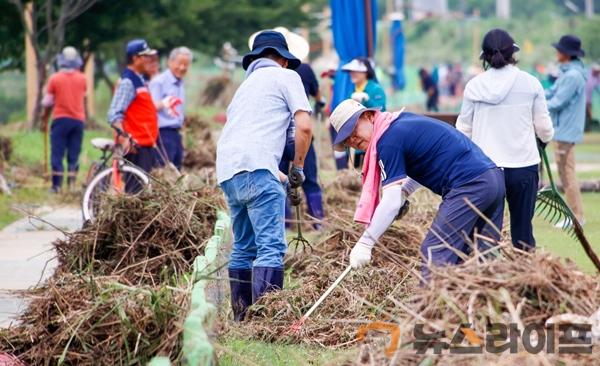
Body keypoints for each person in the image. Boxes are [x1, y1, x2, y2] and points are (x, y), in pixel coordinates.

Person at [329, 99, 504, 279]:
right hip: (492, 179)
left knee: (435, 253)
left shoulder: (387, 140)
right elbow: (425, 161)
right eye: (346, 139)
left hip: (470, 185)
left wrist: (365, 244)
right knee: (482, 258)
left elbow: (391, 201)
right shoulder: (399, 124)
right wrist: (405, 191)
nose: (352, 140)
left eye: (353, 130)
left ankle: (430, 305)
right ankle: (487, 305)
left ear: (368, 116)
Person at [216, 30, 313, 321]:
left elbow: (249, 141)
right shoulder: (287, 77)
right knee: (271, 247)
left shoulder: (243, 89)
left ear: (255, 60)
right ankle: (267, 320)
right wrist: (298, 167)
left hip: (228, 171)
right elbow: (305, 127)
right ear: (283, 60)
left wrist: (282, 177)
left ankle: (241, 318)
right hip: (257, 168)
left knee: (243, 247)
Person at [457, 29, 554, 251]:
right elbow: (544, 128)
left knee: (485, 233)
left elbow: (463, 130)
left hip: (485, 169)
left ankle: (484, 278)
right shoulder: (531, 83)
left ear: (485, 57)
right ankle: (527, 281)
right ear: (513, 53)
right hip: (523, 167)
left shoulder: (474, 85)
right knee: (522, 232)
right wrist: (544, 139)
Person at [545, 35, 588, 226]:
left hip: (566, 130)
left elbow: (557, 102)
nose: (556, 53)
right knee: (564, 173)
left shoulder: (572, 76)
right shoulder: (568, 73)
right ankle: (574, 215)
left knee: (567, 174)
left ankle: (577, 217)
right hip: (562, 129)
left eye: (559, 50)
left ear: (566, 54)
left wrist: (536, 105)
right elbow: (552, 92)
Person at [279, 62, 325, 229]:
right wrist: (320, 102)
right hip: (300, 133)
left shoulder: (268, 73)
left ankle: (284, 223)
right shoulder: (304, 69)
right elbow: (317, 93)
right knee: (310, 179)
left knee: (278, 181)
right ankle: (317, 221)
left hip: (277, 136)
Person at [107, 39, 159, 175]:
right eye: (145, 56)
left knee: (142, 190)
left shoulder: (139, 79)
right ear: (135, 58)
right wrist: (124, 137)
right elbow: (114, 114)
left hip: (145, 144)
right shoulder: (128, 82)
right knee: (136, 191)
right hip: (136, 147)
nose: (149, 59)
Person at [41, 46, 86, 193]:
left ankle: (56, 186)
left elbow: (48, 102)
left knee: (57, 153)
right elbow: (84, 97)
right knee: (74, 153)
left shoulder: (55, 78)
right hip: (78, 121)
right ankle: (71, 185)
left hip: (60, 120)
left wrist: (44, 117)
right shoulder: (82, 78)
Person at [149, 47, 193, 170]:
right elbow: (150, 107)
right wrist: (164, 103)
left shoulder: (179, 82)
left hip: (176, 133)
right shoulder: (159, 82)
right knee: (164, 172)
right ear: (170, 62)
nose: (182, 67)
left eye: (186, 64)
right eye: (179, 64)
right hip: (163, 134)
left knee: (177, 171)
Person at [341, 57, 386, 169]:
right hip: (355, 140)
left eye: (356, 71)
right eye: (351, 71)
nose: (352, 74)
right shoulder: (352, 91)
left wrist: (366, 100)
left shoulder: (375, 89)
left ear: (366, 72)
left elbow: (382, 111)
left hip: (371, 138)